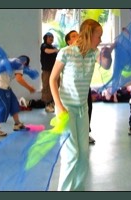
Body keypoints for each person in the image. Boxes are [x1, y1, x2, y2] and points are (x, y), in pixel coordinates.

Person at [50, 19, 112, 191]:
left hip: (82, 109)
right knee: (71, 155)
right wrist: (59, 106)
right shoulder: (66, 52)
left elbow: (106, 65)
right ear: (89, 34)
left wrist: (109, 53)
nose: (100, 39)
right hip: (66, 109)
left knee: (84, 155)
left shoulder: (94, 53)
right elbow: (52, 79)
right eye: (98, 36)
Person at [0, 55, 36, 136]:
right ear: (25, 63)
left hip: (3, 85)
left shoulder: (13, 61)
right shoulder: (20, 64)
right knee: (4, 107)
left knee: (13, 102)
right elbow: (19, 79)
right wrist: (30, 88)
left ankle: (17, 124)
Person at [65, 30, 95, 144]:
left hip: (85, 89)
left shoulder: (86, 52)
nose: (77, 37)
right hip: (71, 92)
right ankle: (73, 136)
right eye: (73, 36)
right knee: (73, 115)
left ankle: (85, 133)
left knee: (87, 110)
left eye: (78, 35)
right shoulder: (66, 53)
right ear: (69, 41)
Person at [40, 32, 59, 113]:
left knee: (56, 86)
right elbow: (47, 51)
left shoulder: (53, 47)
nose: (51, 38)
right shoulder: (44, 46)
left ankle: (53, 103)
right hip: (47, 71)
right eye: (49, 37)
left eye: (52, 37)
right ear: (45, 38)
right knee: (47, 87)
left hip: (54, 70)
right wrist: (56, 50)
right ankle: (47, 105)